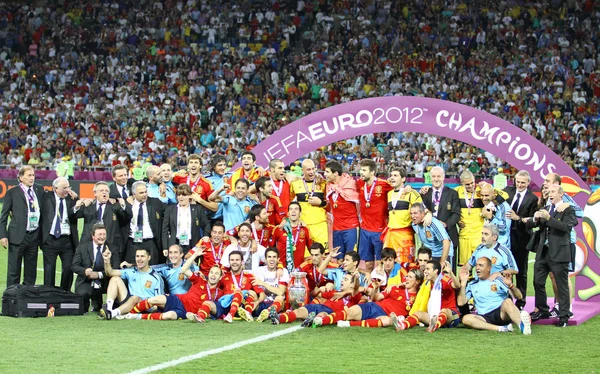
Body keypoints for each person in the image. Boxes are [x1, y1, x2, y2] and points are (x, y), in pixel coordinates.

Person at [526, 185, 578, 327]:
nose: (550, 194)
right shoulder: (546, 209)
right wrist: (535, 219)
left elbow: (567, 228)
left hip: (559, 253)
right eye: (549, 192)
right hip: (543, 252)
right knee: (537, 281)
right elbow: (531, 225)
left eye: (553, 192)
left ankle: (564, 316)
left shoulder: (568, 210)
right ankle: (543, 309)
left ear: (561, 194)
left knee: (561, 286)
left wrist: (549, 219)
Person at [127, 247, 224, 321]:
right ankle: (129, 313)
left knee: (168, 316)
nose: (213, 275)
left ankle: (138, 316)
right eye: (211, 272)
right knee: (154, 299)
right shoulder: (200, 280)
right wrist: (194, 255)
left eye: (216, 273)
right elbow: (183, 269)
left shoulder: (219, 293)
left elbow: (217, 307)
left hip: (186, 312)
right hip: (179, 300)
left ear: (220, 277)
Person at [314, 268, 423, 328]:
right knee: (349, 313)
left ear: (417, 281)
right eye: (406, 276)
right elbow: (376, 297)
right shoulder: (394, 289)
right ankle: (322, 321)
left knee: (386, 321)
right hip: (374, 306)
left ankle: (348, 324)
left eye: (410, 277)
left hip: (384, 315)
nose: (406, 279)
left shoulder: (420, 295)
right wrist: (375, 289)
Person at [458, 257, 532, 334]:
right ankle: (501, 328)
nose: (477, 268)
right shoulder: (472, 284)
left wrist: (511, 286)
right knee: (466, 318)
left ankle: (522, 325)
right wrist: (463, 284)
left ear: (489, 268)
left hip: (500, 313)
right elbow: (461, 302)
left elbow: (519, 296)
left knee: (508, 301)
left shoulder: (498, 280)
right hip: (483, 317)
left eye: (481, 265)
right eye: (476, 265)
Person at [0, 165, 45, 286]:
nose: (32, 178)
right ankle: (11, 299)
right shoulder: (12, 192)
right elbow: (3, 216)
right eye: (29, 175)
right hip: (17, 236)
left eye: (33, 175)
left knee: (31, 272)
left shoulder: (39, 190)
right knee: (14, 271)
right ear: (20, 177)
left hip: (34, 236)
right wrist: (3, 236)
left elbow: (51, 198)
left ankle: (27, 298)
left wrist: (68, 192)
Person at [270, 273, 362, 326]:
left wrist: (356, 280)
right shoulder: (335, 292)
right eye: (342, 279)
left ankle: (314, 320)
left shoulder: (353, 298)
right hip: (319, 306)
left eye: (345, 279)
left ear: (352, 285)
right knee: (300, 310)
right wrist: (318, 290)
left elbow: (357, 290)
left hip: (331, 312)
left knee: (323, 314)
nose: (342, 281)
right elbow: (314, 294)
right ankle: (279, 318)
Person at [99, 247, 165, 320]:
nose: (139, 259)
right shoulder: (131, 271)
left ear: (148, 258)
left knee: (135, 298)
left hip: (145, 307)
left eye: (142, 256)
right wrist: (107, 260)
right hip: (129, 303)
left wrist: (150, 307)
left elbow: (159, 301)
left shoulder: (156, 277)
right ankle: (108, 308)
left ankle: (112, 313)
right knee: (115, 279)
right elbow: (110, 273)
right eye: (137, 256)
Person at [503, 170, 538, 309]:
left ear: (528, 183)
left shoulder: (533, 199)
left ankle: (521, 301)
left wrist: (518, 218)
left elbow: (533, 222)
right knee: (504, 269)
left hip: (522, 239)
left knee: (521, 272)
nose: (520, 184)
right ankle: (505, 298)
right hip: (505, 238)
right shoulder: (507, 191)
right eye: (518, 182)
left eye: (523, 182)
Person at [393, 260, 460, 332]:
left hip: (451, 316)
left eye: (428, 269)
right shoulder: (428, 283)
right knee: (418, 313)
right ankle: (402, 325)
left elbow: (457, 285)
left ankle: (434, 326)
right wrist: (402, 284)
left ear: (435, 271)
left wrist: (451, 273)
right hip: (435, 316)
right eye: (425, 269)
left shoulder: (444, 280)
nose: (425, 271)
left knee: (444, 310)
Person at [76, 181, 129, 264]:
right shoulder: (88, 205)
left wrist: (123, 205)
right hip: (89, 242)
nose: (104, 192)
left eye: (107, 191)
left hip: (110, 242)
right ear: (95, 193)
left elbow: (127, 217)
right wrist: (77, 206)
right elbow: (73, 216)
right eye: (101, 190)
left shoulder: (115, 206)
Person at [40, 177, 79, 291]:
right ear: (55, 189)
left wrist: (77, 199)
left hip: (67, 241)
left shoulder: (72, 198)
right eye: (64, 188)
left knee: (68, 269)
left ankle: (64, 293)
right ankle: (49, 294)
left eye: (68, 187)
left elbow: (78, 213)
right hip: (50, 240)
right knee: (49, 270)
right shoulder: (47, 197)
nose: (67, 190)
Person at [72, 224, 119, 312]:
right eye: (99, 234)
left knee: (118, 285)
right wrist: (84, 271)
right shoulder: (82, 247)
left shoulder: (112, 248)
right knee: (82, 295)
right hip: (86, 280)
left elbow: (116, 268)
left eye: (104, 234)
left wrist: (99, 275)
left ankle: (109, 306)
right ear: (93, 236)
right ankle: (87, 306)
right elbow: (74, 266)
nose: (102, 237)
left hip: (105, 280)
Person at [356, 159, 393, 272]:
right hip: (365, 229)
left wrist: (408, 188)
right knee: (368, 265)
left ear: (372, 172)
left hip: (379, 229)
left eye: (364, 170)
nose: (361, 172)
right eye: (361, 169)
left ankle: (381, 285)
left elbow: (398, 189)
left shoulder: (383, 184)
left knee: (380, 263)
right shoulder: (359, 183)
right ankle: (368, 287)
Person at [419, 166, 461, 260]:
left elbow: (456, 214)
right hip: (430, 239)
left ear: (443, 177)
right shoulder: (424, 193)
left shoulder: (452, 193)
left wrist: (445, 224)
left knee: (448, 270)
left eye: (439, 176)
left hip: (448, 234)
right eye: (434, 176)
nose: (436, 179)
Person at [384, 167, 423, 263]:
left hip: (405, 236)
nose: (392, 178)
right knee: (389, 265)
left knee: (406, 264)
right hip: (391, 235)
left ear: (403, 179)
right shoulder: (389, 194)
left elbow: (422, 212)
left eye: (395, 175)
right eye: (391, 175)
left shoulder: (411, 193)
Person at [324, 160, 360, 259]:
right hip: (337, 228)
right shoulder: (329, 186)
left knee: (351, 259)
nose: (324, 174)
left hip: (351, 227)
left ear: (335, 173)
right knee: (339, 259)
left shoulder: (351, 184)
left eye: (327, 172)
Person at [161, 184, 211, 255]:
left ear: (190, 195)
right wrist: (165, 247)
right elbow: (165, 229)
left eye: (184, 195)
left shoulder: (197, 209)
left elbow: (206, 224)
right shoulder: (170, 210)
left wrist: (206, 235)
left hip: (192, 244)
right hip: (175, 244)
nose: (181, 197)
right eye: (179, 195)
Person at [124, 181, 166, 264]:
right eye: (141, 193)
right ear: (134, 194)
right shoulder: (127, 204)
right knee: (132, 269)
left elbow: (170, 211)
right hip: (133, 243)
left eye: (145, 192)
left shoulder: (155, 203)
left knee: (152, 269)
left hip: (150, 243)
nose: (144, 194)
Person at [219, 250, 266, 322]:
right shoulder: (223, 277)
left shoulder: (249, 276)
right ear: (229, 262)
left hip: (245, 305)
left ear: (242, 262)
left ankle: (246, 313)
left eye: (237, 260)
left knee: (251, 292)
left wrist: (257, 302)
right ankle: (235, 313)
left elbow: (262, 294)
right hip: (228, 306)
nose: (234, 262)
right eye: (232, 260)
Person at [290, 159, 328, 247]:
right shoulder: (295, 184)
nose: (311, 172)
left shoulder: (322, 183)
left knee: (322, 255)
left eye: (313, 169)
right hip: (303, 224)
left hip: (320, 224)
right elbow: (290, 202)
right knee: (305, 257)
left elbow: (329, 205)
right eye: (308, 169)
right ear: (302, 170)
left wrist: (320, 203)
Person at [252, 248, 291, 322]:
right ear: (265, 259)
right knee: (251, 293)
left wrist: (263, 283)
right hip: (262, 302)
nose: (271, 259)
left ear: (278, 259)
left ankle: (268, 312)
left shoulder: (283, 271)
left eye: (274, 257)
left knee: (280, 297)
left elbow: (280, 292)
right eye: (269, 257)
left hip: (277, 304)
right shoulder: (258, 270)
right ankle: (248, 311)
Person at [275, 202, 312, 271]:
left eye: (296, 209)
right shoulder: (279, 229)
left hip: (298, 271)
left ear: (300, 213)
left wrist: (309, 259)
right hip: (282, 270)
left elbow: (312, 249)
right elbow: (271, 249)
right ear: (288, 213)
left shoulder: (305, 229)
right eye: (291, 209)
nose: (293, 211)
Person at [479, 183, 512, 248]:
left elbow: (504, 228)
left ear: (493, 194)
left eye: (486, 195)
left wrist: (491, 218)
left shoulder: (503, 206)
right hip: (489, 245)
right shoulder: (488, 204)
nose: (484, 198)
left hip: (501, 247)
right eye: (482, 195)